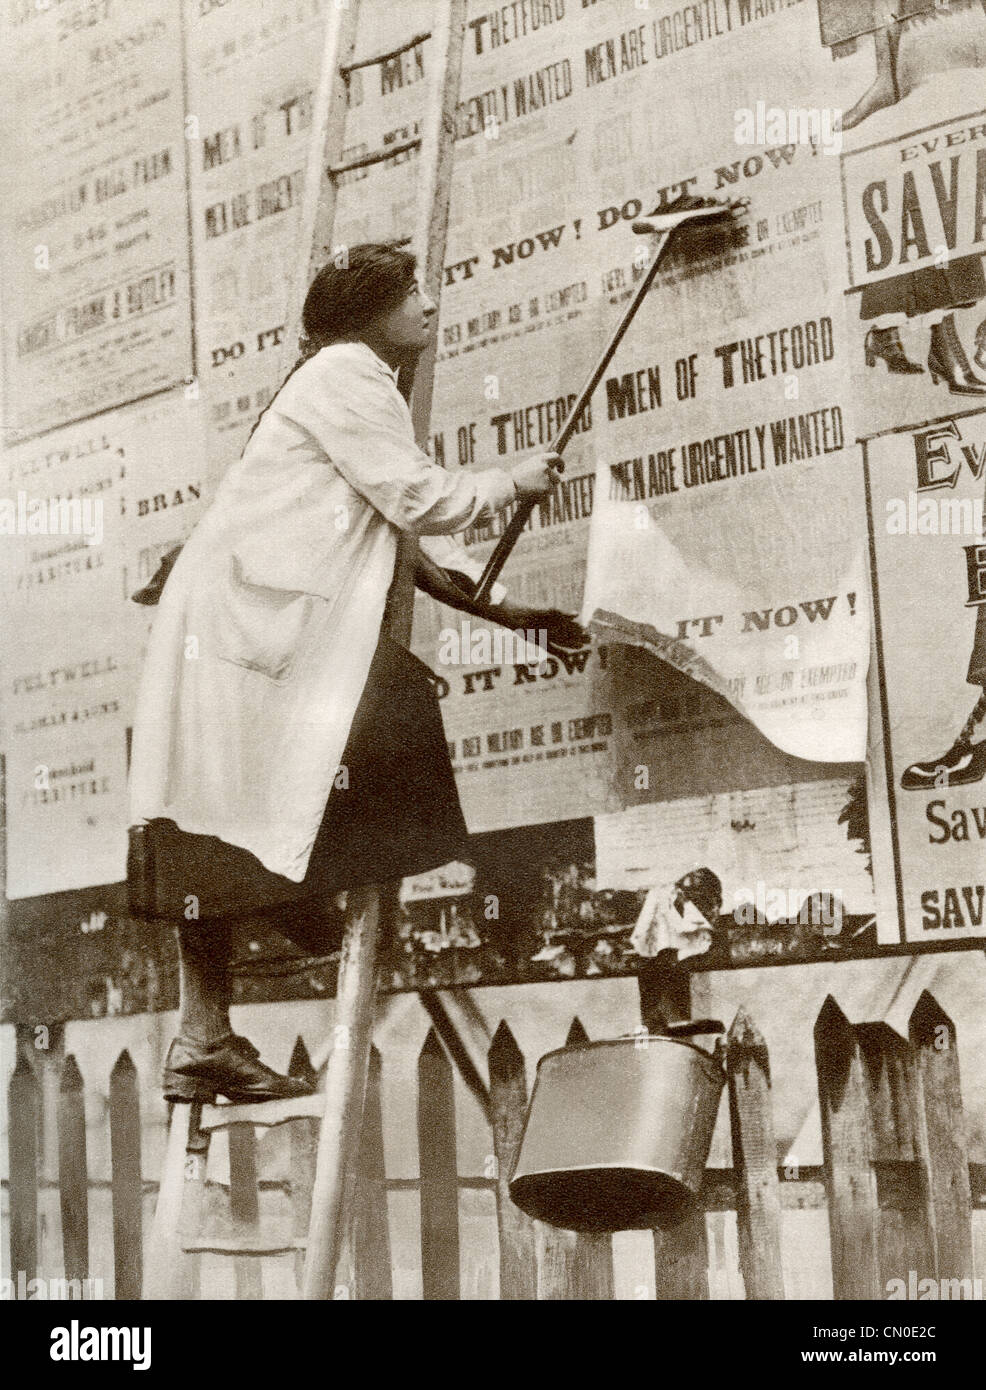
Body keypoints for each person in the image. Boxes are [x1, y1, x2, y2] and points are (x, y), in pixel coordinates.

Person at [127, 243, 571, 1103]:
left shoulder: (339, 381)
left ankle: (214, 1020)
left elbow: (405, 535)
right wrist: (510, 480)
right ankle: (292, 912)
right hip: (245, 629)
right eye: (412, 292)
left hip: (243, 624)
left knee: (214, 807)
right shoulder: (349, 371)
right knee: (373, 727)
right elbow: (417, 501)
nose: (430, 303)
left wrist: (513, 614)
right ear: (369, 310)